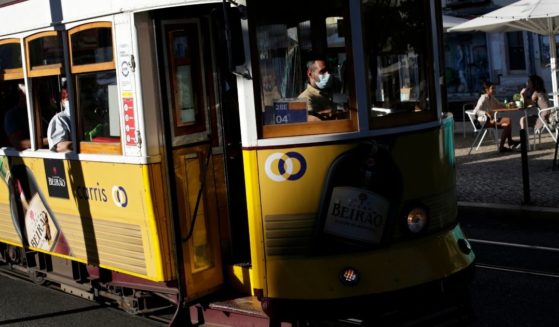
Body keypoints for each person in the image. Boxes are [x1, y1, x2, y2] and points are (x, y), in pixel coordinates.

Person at [473, 81, 520, 153]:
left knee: (507, 124)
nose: (494, 90)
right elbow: (476, 110)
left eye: (494, 88)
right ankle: (508, 142)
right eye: (492, 88)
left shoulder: (491, 97)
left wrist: (508, 104)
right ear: (487, 89)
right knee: (508, 121)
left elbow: (499, 105)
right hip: (485, 121)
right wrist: (486, 113)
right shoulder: (483, 98)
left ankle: (502, 147)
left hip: (492, 120)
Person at [4, 84, 31, 151]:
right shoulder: (12, 115)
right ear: (21, 94)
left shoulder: (44, 111)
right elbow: (18, 143)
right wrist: (49, 140)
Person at [47, 88, 72, 153]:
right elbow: (60, 147)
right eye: (66, 98)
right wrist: (85, 146)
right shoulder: (59, 118)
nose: (71, 100)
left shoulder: (89, 116)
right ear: (62, 102)